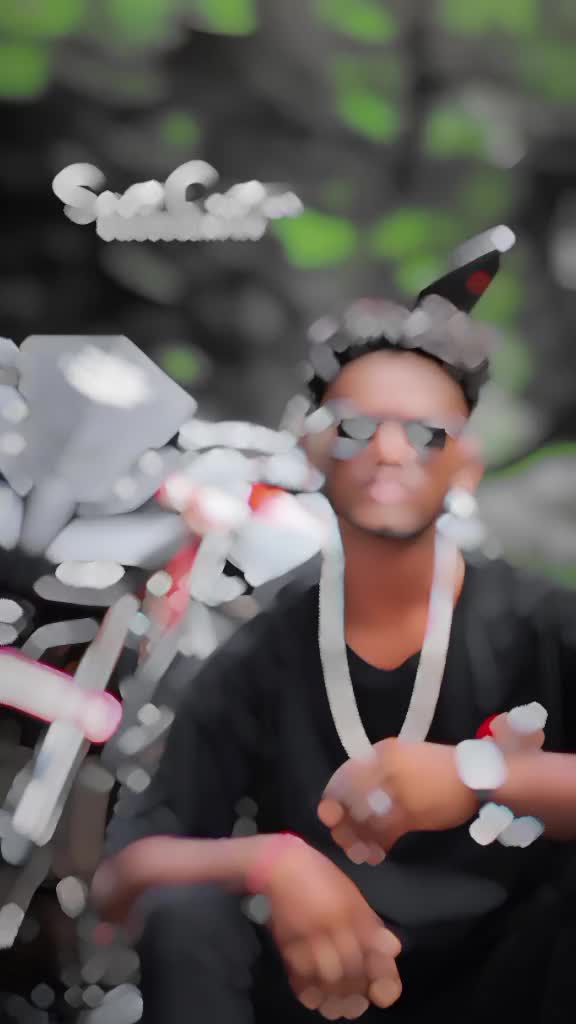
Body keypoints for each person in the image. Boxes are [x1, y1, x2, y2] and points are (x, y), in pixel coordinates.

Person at [93, 238, 576, 1023]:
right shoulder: (263, 648)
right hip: (317, 985)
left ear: (466, 463)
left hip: (512, 983)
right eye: (355, 427)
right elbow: (126, 875)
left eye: (425, 433)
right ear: (313, 449)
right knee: (189, 914)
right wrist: (270, 862)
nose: (387, 451)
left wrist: (481, 775)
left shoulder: (540, 625)